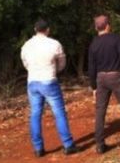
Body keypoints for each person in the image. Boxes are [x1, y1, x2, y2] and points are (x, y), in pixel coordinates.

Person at [20, 19, 78, 157]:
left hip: (33, 82)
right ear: (48, 29)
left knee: (35, 114)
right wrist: (54, 71)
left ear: (35, 29)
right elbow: (62, 63)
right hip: (49, 81)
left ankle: (38, 148)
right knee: (59, 113)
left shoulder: (26, 45)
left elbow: (25, 63)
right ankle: (68, 144)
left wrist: (34, 71)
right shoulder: (54, 44)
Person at [88, 14, 120, 153]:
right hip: (116, 77)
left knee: (100, 111)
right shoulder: (115, 39)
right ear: (108, 26)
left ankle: (99, 145)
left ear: (96, 28)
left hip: (101, 79)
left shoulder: (94, 43)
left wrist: (93, 86)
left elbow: (91, 67)